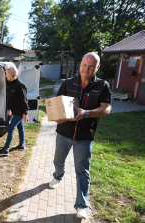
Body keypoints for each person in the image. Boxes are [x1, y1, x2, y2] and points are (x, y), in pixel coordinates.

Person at [49, 52, 112, 219]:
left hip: (85, 136)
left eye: (91, 66)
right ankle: (57, 176)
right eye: (84, 65)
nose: (87, 69)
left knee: (82, 171)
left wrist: (87, 113)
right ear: (80, 65)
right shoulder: (68, 83)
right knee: (58, 161)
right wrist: (56, 117)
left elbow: (106, 109)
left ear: (97, 68)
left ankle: (81, 206)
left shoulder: (102, 85)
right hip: (64, 133)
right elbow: (56, 104)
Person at [0, 67, 28, 156]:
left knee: (10, 128)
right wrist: (10, 108)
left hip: (20, 111)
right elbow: (11, 98)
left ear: (12, 75)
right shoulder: (10, 83)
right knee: (20, 127)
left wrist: (25, 113)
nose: (5, 76)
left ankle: (6, 149)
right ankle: (21, 145)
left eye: (7, 74)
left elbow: (23, 100)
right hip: (15, 110)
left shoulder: (20, 85)